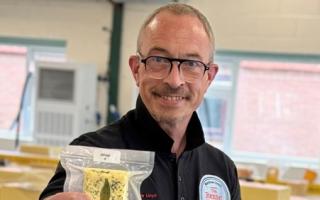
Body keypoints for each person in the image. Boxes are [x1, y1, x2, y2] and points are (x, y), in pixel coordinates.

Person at [39, 3, 241, 200]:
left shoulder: (222, 170)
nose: (174, 80)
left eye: (191, 64)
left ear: (209, 77)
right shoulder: (92, 154)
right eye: (159, 60)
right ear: (136, 69)